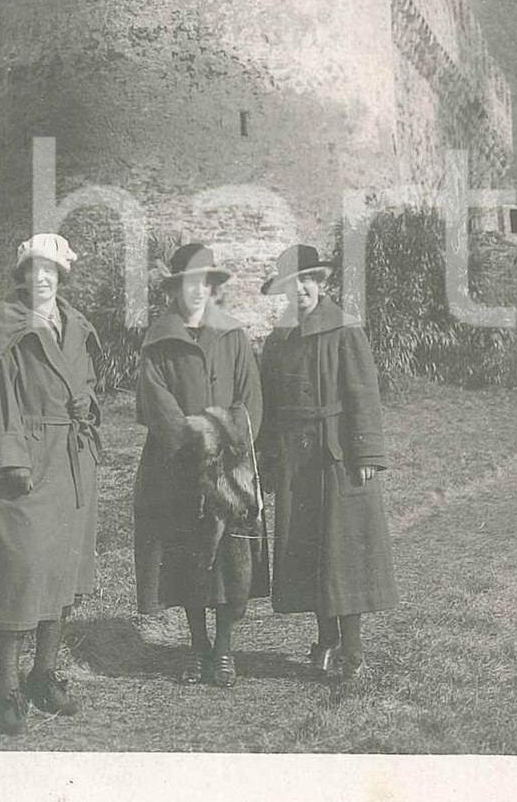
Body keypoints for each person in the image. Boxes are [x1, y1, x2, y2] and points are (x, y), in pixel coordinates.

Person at [0, 233, 102, 735]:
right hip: (27, 461)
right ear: (22, 276)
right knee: (20, 570)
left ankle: (42, 675)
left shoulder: (76, 326)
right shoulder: (3, 328)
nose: (42, 278)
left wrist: (86, 405)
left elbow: (89, 383)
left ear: (61, 276)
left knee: (61, 569)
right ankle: (5, 688)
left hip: (73, 460)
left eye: (50, 270)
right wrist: (11, 460)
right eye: (33, 269)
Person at [258, 244, 398, 680]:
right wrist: (265, 456)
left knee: (343, 553)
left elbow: (363, 395)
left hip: (336, 456)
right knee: (306, 550)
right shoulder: (279, 339)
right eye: (291, 284)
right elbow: (266, 403)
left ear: (321, 283)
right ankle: (325, 638)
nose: (300, 289)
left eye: (307, 280)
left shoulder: (344, 329)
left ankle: (351, 649)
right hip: (295, 460)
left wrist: (366, 453)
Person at [133, 243, 266, 688]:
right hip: (177, 465)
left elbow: (251, 400)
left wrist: (226, 433)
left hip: (228, 468)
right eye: (187, 284)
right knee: (187, 557)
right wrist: (193, 437)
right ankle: (197, 646)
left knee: (229, 559)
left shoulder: (233, 336)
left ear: (212, 288)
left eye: (203, 284)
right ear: (175, 289)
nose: (196, 292)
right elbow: (155, 404)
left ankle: (225, 650)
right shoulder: (158, 342)